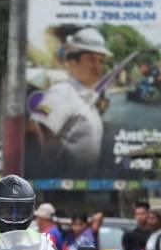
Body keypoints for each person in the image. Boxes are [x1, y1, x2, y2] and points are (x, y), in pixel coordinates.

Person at [29, 28, 111, 175]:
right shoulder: (62, 92)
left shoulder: (87, 99)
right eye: (91, 59)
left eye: (100, 60)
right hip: (63, 185)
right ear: (72, 62)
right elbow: (35, 129)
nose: (98, 66)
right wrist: (50, 169)